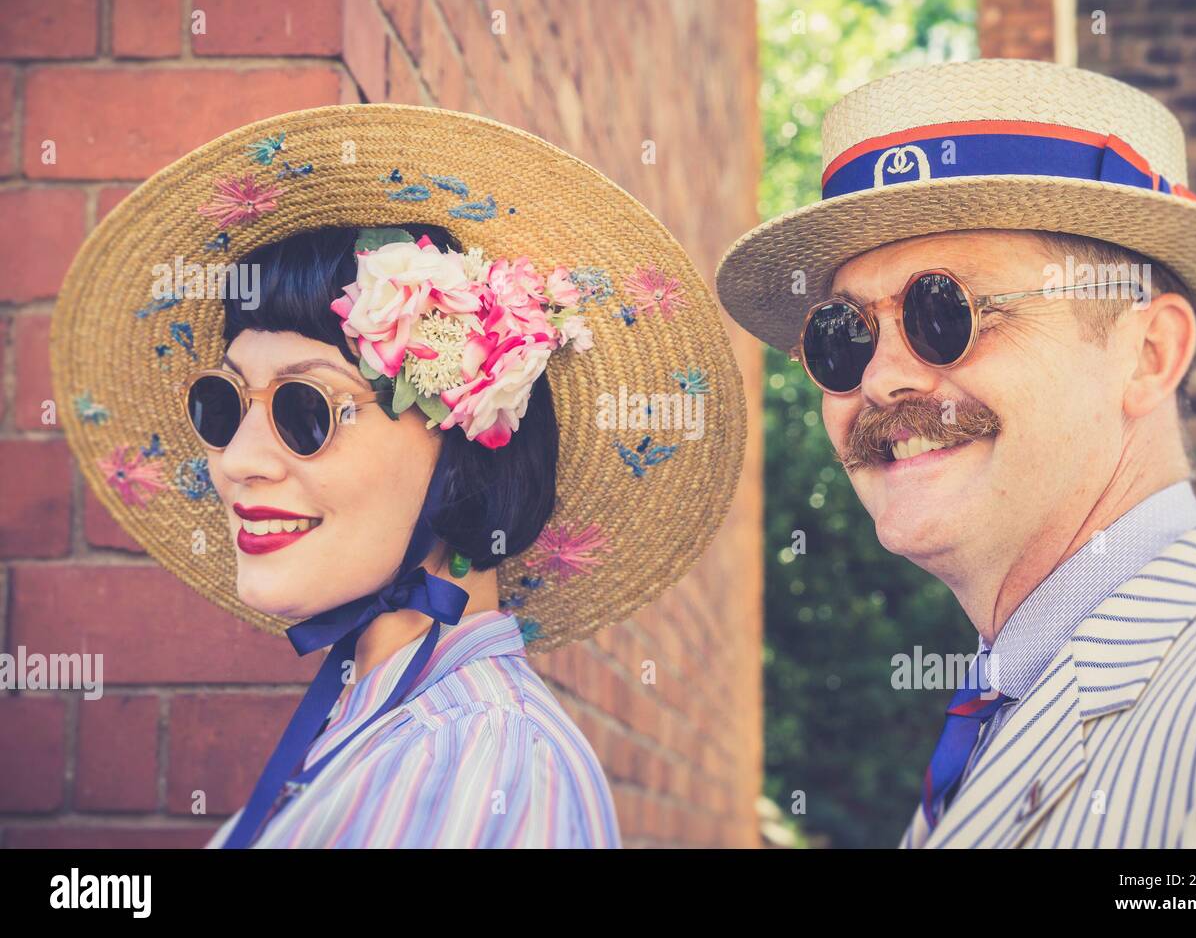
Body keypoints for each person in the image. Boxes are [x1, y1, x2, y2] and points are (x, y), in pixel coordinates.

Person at [52, 104, 747, 848]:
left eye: (306, 409)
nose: (238, 460)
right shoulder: (376, 717)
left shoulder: (496, 762)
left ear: (465, 447)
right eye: (222, 404)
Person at [716, 58, 1196, 848]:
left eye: (943, 310)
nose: (883, 379)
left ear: (1149, 354)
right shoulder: (1012, 696)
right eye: (842, 336)